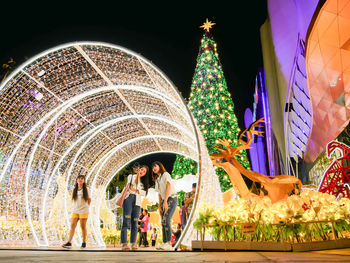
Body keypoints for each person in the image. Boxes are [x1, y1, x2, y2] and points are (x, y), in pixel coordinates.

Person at [120, 165, 149, 251]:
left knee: (135, 223)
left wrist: (136, 191)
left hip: (138, 202)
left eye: (144, 172)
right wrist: (136, 178)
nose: (141, 172)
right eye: (141, 169)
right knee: (126, 221)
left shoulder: (143, 183)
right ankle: (124, 243)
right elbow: (130, 187)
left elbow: (144, 193)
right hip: (128, 199)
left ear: (145, 174)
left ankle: (133, 243)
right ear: (138, 169)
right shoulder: (131, 176)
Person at [152, 161, 178, 250]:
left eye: (155, 166)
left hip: (171, 198)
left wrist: (166, 201)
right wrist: (160, 205)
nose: (154, 168)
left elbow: (169, 186)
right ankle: (164, 242)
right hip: (164, 200)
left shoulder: (166, 174)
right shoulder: (157, 179)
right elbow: (159, 194)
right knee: (163, 222)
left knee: (166, 220)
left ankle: (169, 243)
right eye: (153, 167)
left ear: (160, 166)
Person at [62, 175, 91, 249]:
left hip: (84, 210)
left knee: (82, 226)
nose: (80, 180)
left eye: (82, 179)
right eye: (79, 178)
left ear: (84, 181)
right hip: (75, 210)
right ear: (77, 180)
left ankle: (84, 242)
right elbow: (73, 199)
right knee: (72, 225)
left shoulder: (87, 189)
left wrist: (86, 206)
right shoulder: (74, 189)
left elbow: (89, 200)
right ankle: (69, 242)